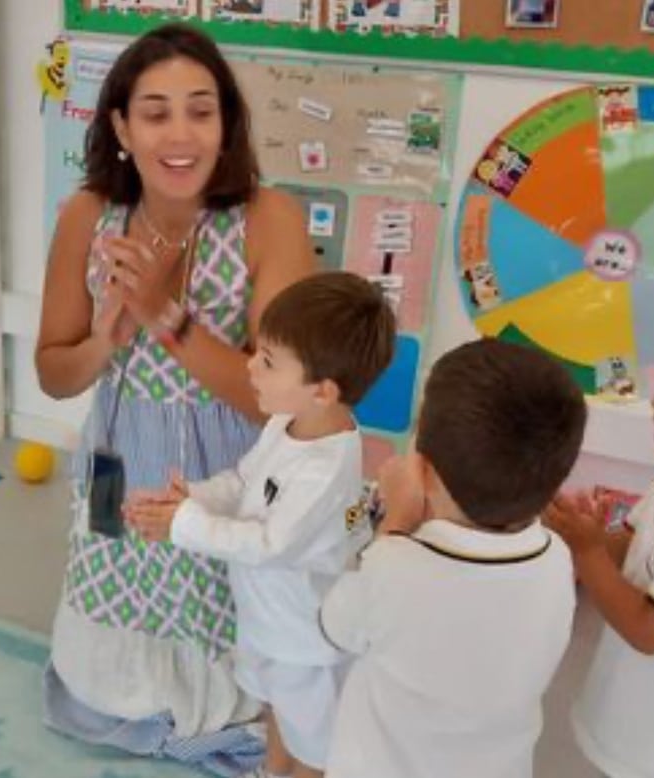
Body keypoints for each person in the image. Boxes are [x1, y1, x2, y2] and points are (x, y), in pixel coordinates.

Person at [34, 21, 314, 776]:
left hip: (228, 463)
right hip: (115, 454)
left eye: (201, 109)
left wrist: (167, 316)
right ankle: (125, 696)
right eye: (155, 112)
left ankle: (225, 708)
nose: (179, 133)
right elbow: (53, 374)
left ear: (227, 123)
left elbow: (275, 405)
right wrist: (104, 340)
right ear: (121, 126)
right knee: (114, 578)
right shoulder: (86, 215)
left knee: (230, 605)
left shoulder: (270, 218)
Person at [125, 272, 396, 778]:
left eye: (268, 362)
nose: (250, 366)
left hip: (303, 636)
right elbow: (244, 481)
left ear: (322, 391)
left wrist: (185, 523)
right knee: (275, 709)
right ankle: (272, 770)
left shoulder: (323, 469)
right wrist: (194, 498)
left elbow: (269, 543)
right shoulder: (286, 422)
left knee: (312, 738)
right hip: (268, 621)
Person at [320, 339, 588, 778]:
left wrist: (391, 531)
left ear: (421, 471)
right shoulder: (557, 559)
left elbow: (334, 626)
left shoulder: (395, 564)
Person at [543, 397, 654, 777]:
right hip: (620, 709)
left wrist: (588, 549)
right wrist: (587, 533)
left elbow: (646, 629)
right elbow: (629, 546)